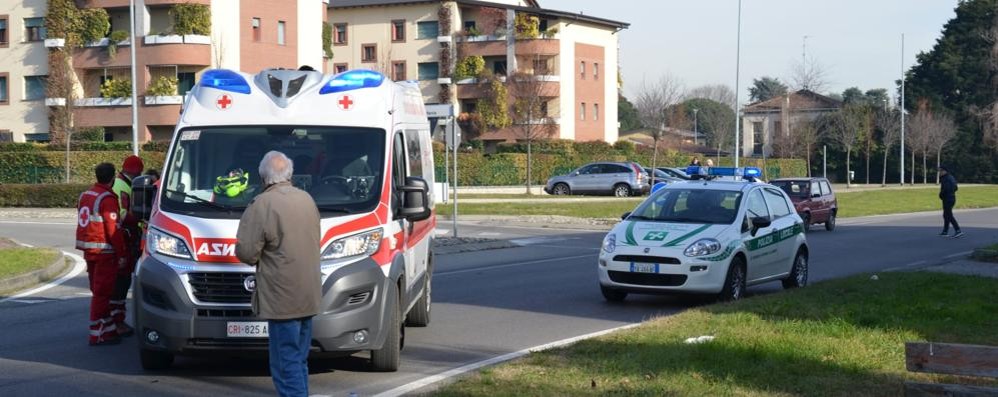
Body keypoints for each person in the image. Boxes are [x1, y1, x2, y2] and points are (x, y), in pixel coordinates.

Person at [235, 151, 321, 397]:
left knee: (285, 365)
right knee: (299, 360)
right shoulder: (307, 199)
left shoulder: (262, 204)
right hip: (309, 293)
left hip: (282, 297)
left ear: (263, 177)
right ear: (289, 174)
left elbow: (247, 252)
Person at [76, 163, 129, 346]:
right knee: (102, 293)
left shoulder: (86, 195)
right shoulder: (107, 198)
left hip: (89, 249)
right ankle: (98, 333)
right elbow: (113, 228)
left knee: (97, 291)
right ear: (113, 178)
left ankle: (108, 329)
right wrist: (122, 253)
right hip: (105, 251)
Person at [109, 155, 144, 337]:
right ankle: (117, 322)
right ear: (135, 171)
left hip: (123, 237)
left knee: (120, 282)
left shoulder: (121, 183)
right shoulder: (122, 186)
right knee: (121, 283)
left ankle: (115, 320)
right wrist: (140, 219)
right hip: (122, 238)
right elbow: (122, 214)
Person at [938, 165, 963, 238]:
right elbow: (955, 187)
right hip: (950, 198)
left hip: (948, 198)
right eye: (939, 171)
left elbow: (946, 188)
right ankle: (945, 231)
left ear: (945, 171)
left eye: (941, 170)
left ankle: (958, 230)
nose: (940, 172)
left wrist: (941, 194)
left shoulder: (947, 178)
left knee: (948, 215)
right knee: (946, 215)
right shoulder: (950, 177)